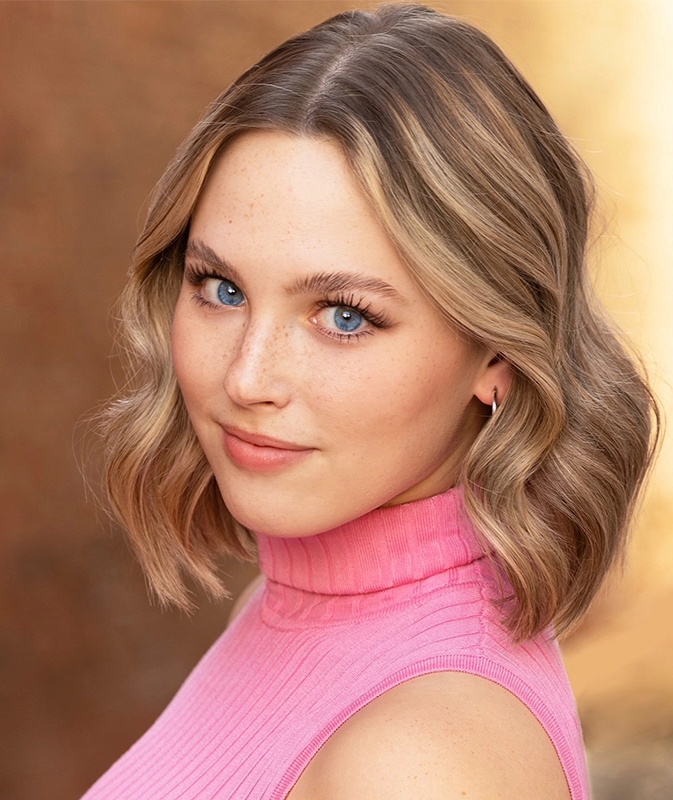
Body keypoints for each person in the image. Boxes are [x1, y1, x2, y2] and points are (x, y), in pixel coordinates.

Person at [82, 4, 659, 798]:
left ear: (498, 351)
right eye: (220, 288)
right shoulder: (293, 605)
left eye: (344, 316)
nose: (248, 378)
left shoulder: (419, 758)